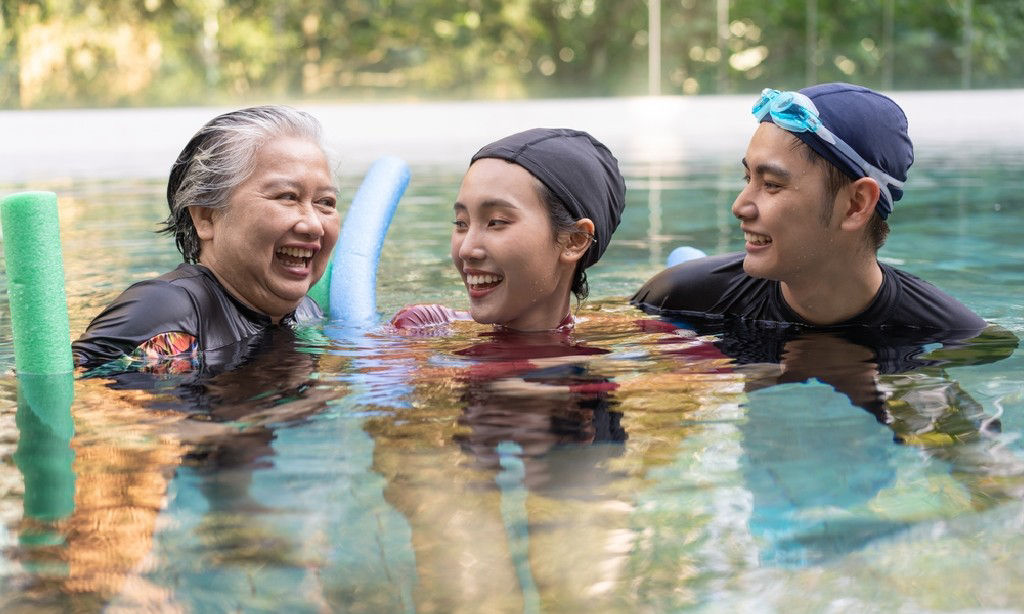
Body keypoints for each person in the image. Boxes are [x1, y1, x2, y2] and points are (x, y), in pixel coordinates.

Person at [631, 83, 987, 334]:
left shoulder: (947, 334)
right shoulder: (678, 296)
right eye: (747, 178)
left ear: (855, 205)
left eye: (771, 184)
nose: (739, 206)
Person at [72, 105, 340, 369]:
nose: (314, 225)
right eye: (287, 196)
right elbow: (76, 389)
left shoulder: (307, 312)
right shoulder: (165, 310)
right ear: (206, 218)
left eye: (325, 202)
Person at [390, 127, 627, 332]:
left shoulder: (630, 338)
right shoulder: (421, 328)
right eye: (461, 223)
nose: (466, 250)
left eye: (496, 222)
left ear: (574, 240)